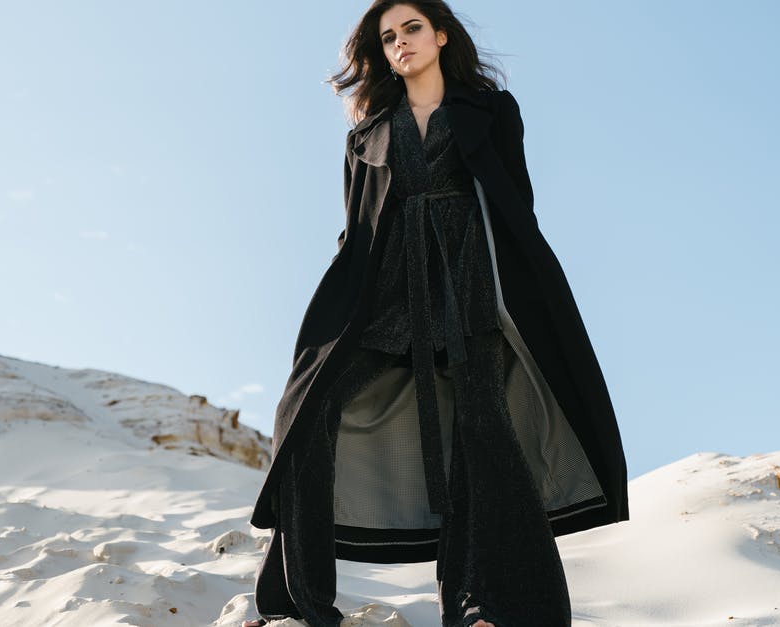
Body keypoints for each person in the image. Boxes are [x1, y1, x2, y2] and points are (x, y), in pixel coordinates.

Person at [244, 2, 629, 626]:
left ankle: (487, 609)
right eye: (389, 37)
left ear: (442, 35)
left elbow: (515, 205)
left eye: (412, 28)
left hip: (471, 287)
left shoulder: (492, 112)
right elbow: (355, 231)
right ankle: (301, 603)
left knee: (483, 443)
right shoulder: (367, 134)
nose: (400, 43)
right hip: (387, 293)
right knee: (307, 413)